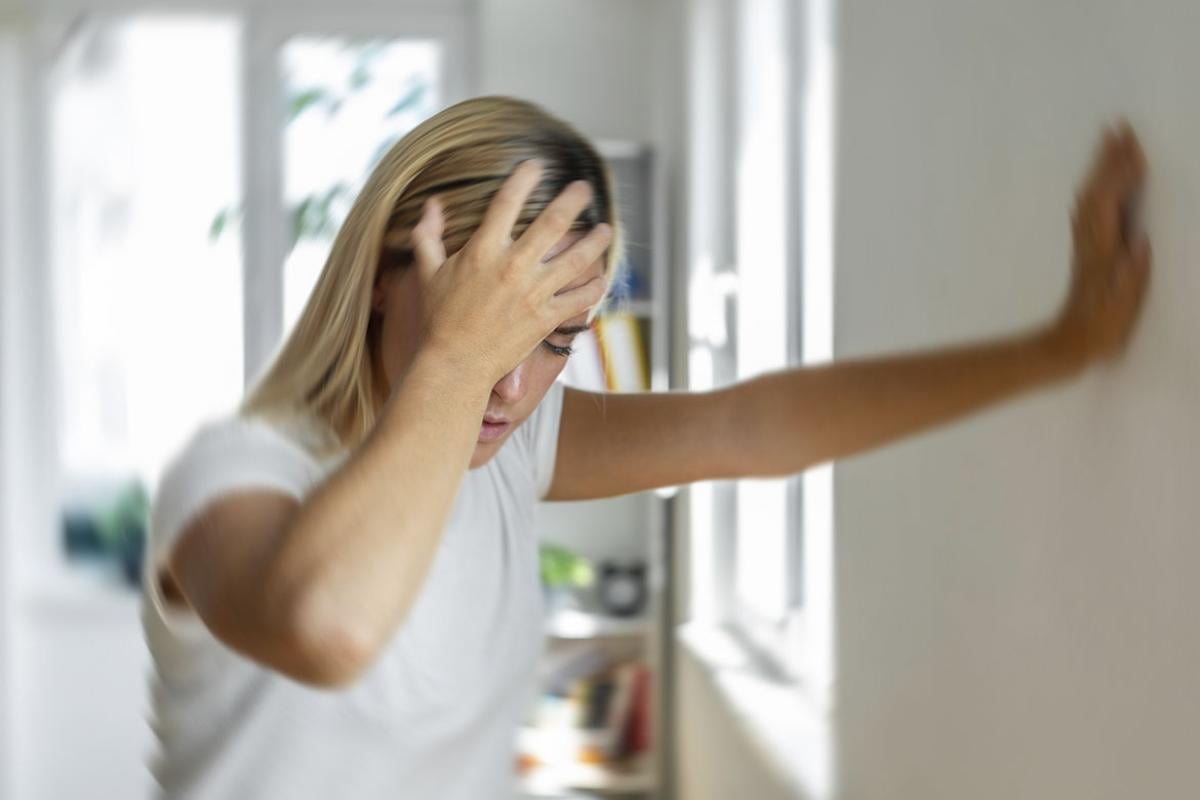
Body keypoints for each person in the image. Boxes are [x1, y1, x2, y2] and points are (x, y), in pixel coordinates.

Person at [142, 95, 1149, 799]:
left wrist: (1061, 345)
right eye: (482, 323)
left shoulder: (505, 448)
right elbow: (332, 624)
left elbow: (755, 425)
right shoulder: (232, 475)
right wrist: (456, 355)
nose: (511, 383)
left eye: (553, 343)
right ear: (379, 274)